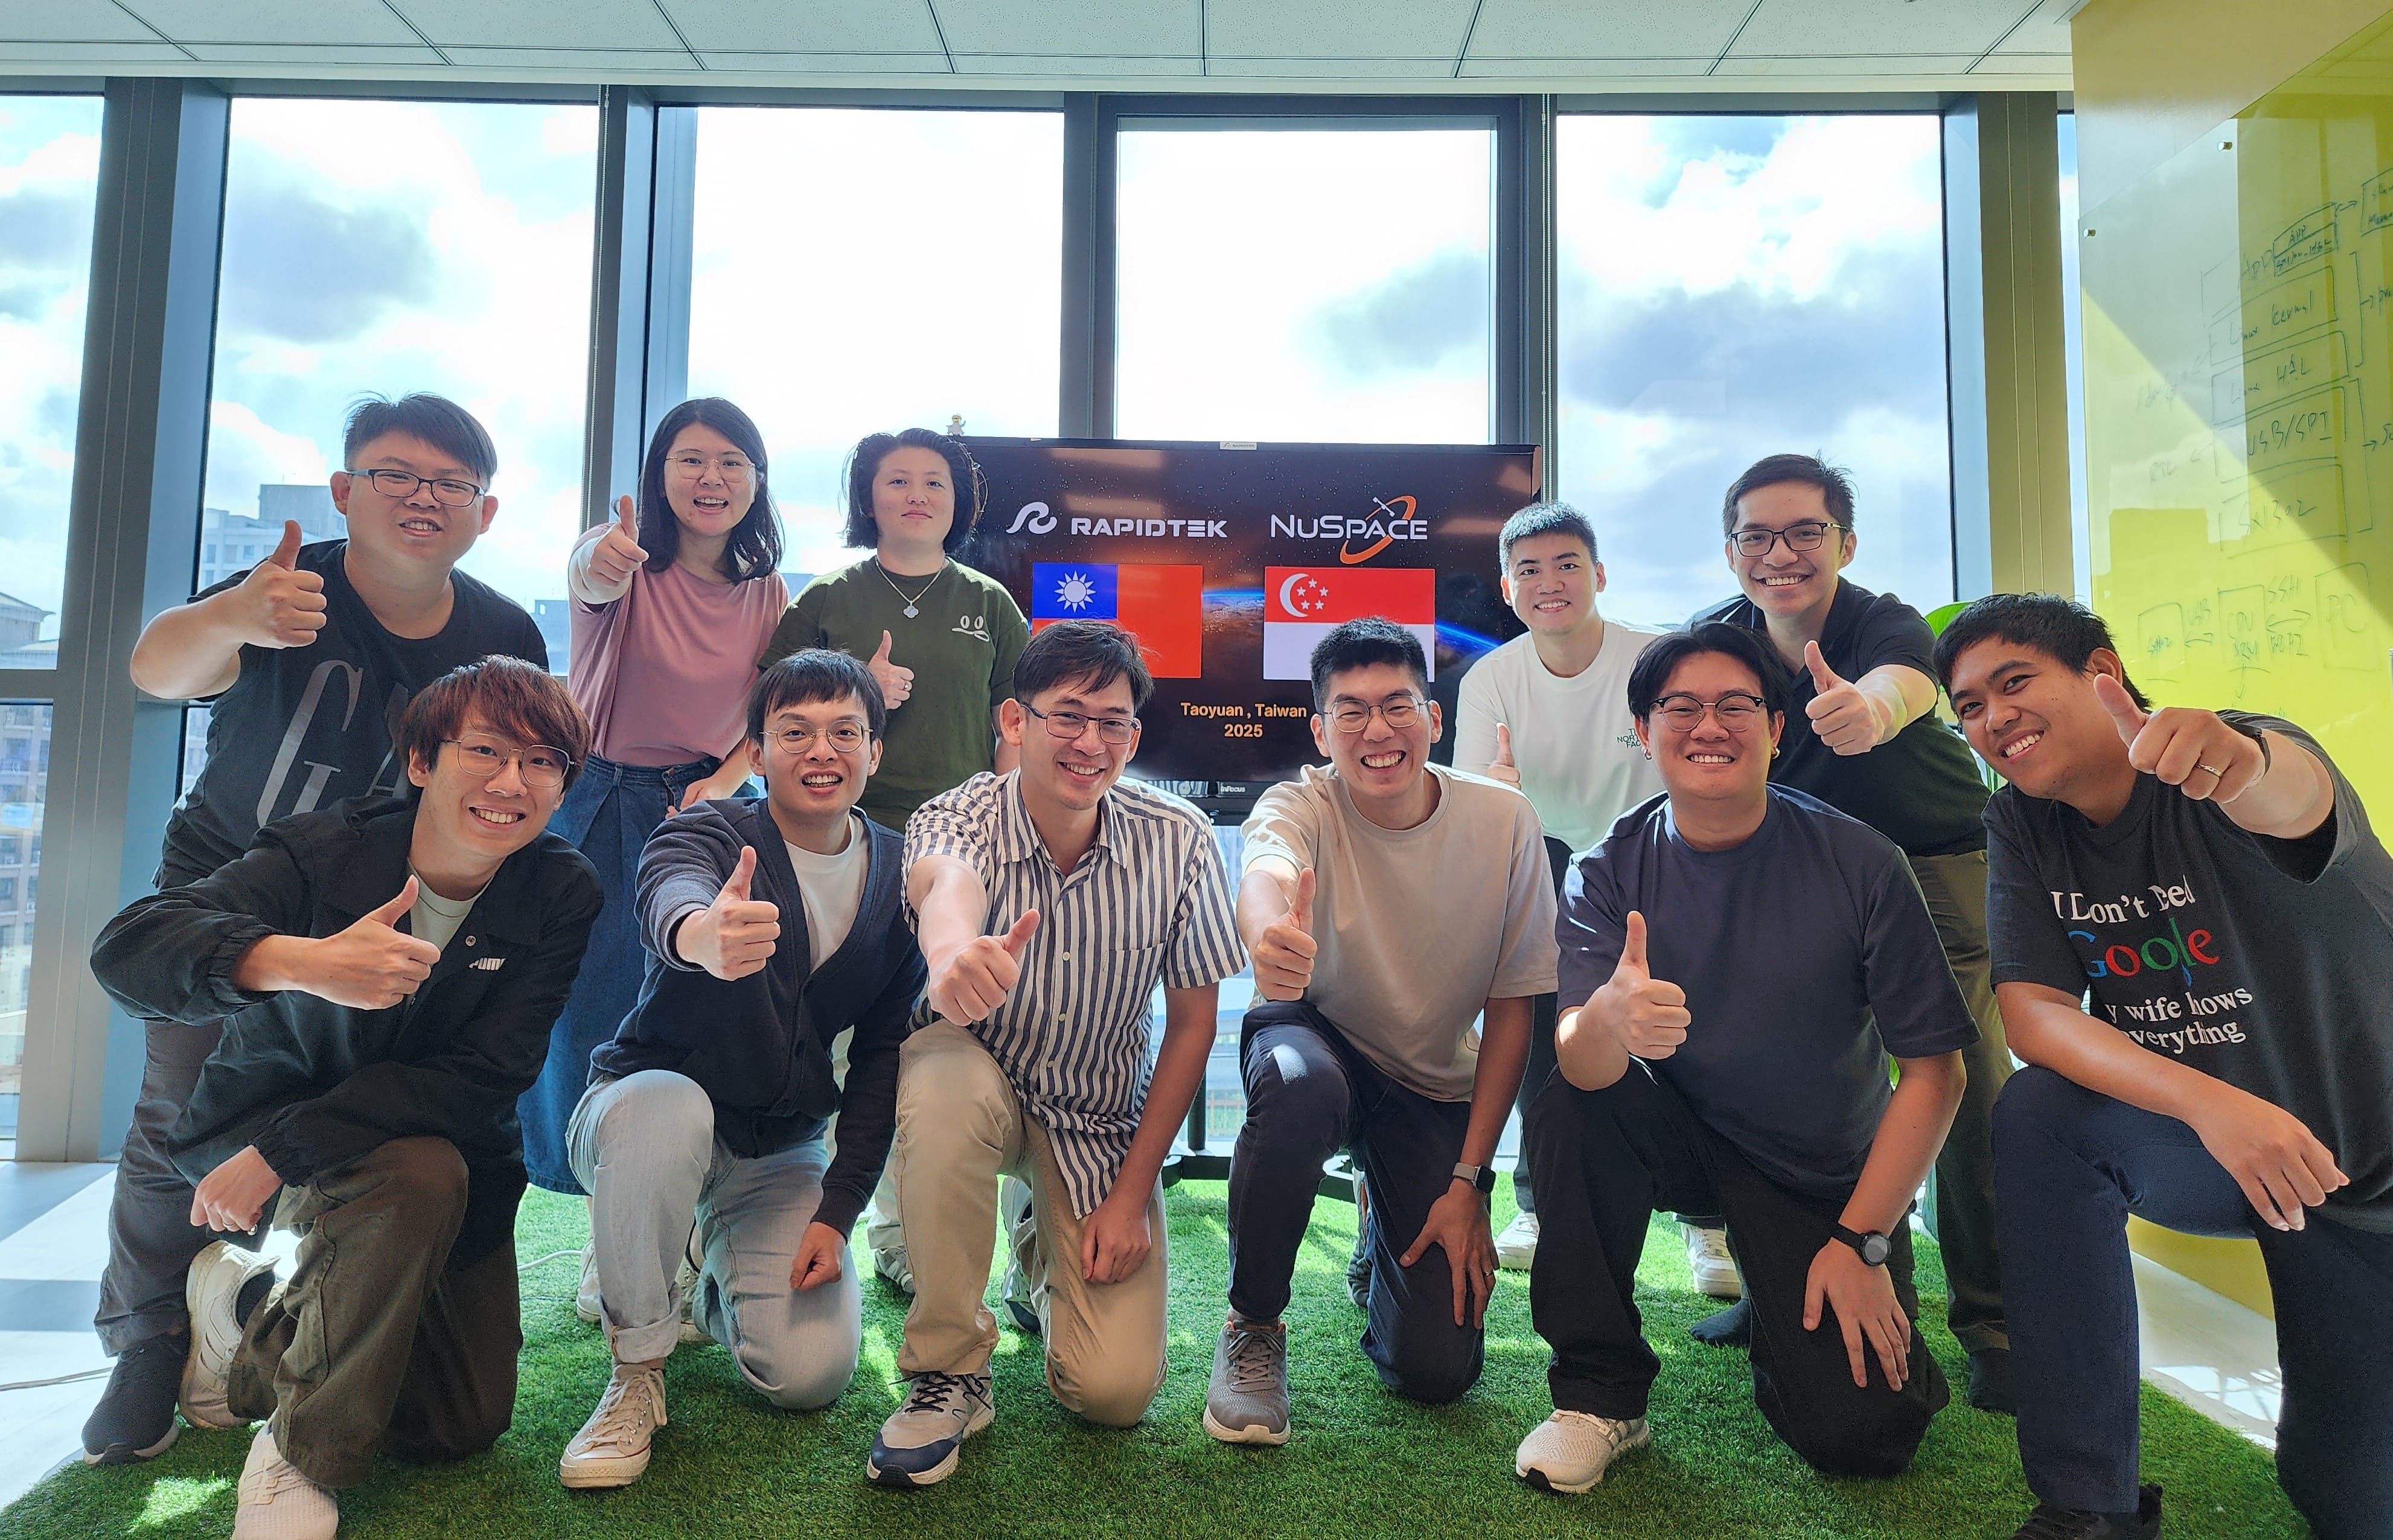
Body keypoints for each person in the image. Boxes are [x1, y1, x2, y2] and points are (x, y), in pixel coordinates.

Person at [82, 393, 549, 1468]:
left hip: (391, 911)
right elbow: (157, 669)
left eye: (451, 484)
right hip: (234, 892)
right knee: (177, 1110)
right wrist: (233, 619)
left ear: (484, 512)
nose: (423, 498)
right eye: (395, 475)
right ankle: (148, 1338)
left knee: (386, 1112)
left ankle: (287, 1297)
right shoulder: (284, 589)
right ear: (344, 491)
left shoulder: (502, 632)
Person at [88, 657, 601, 1540]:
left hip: (404, 1144)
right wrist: (299, 961)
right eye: (485, 749)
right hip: (296, 1124)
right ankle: (297, 1456)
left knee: (459, 1422)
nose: (512, 782)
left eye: (542, 761)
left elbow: (489, 1072)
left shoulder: (562, 888)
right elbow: (128, 951)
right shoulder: (325, 850)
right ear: (421, 762)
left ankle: (244, 1320)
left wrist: (284, 1149)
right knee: (418, 1173)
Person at [1935, 595, 2393, 1540]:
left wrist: (2241, 763)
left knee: (2353, 1501)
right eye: (1969, 706)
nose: (1993, 717)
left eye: (2014, 682)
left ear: (2102, 670)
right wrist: (2215, 1104)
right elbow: (2036, 1016)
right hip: (2231, 1151)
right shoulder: (2023, 821)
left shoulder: (2231, 755)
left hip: (2370, 1166)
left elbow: (2289, 792)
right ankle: (2088, 1504)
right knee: (2042, 1112)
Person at [1515, 622, 1973, 1494]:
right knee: (1570, 1107)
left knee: (1864, 1436)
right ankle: (1597, 1394)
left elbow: (1935, 1071)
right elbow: (1581, 1068)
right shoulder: (1608, 869)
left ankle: (1782, 1296)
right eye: (1680, 707)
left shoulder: (1861, 860)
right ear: (1643, 730)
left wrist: (1863, 1239)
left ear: (1777, 727)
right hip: (1682, 1141)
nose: (1708, 726)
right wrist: (1606, 1015)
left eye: (1736, 705)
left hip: (1818, 1175)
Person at [866, 621, 1242, 1488]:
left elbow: (1192, 1023)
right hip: (978, 1078)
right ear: (1015, 720)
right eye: (1067, 715)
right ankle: (949, 1368)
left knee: (1112, 1392)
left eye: (1113, 722)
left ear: (1134, 736)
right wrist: (953, 953)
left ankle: (1039, 1242)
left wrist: (1132, 1194)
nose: (1090, 742)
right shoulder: (958, 812)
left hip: (1095, 1113)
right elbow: (945, 883)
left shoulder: (1180, 837)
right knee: (942, 1082)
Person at [1691, 453, 2013, 1410]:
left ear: (1846, 543)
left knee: (1965, 1082)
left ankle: (1996, 1322)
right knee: (1790, 1082)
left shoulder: (1882, 619)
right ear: (1732, 551)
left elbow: (1905, 682)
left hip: (1930, 865)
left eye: (1805, 532)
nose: (1780, 552)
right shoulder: (1720, 638)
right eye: (1757, 534)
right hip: (1802, 874)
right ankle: (1781, 1280)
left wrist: (1867, 709)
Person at [557, 650, 924, 1489]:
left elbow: (880, 1059)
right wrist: (702, 934)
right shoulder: (712, 830)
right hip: (638, 1112)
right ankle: (636, 1371)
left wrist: (840, 1206)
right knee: (668, 1109)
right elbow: (668, 894)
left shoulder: (899, 876)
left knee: (810, 1373)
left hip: (775, 1149)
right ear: (756, 751)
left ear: (875, 752)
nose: (821, 749)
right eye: (794, 731)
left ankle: (704, 1261)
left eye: (844, 732)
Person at [1206, 618, 1557, 1448]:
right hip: (1316, 1035)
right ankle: (1253, 1323)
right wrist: (1267, 934)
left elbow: (1514, 1007)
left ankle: (1380, 1226)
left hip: (1429, 1078)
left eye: (1397, 705)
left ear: (1433, 718)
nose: (1377, 730)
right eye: (1351, 711)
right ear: (1320, 730)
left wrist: (1470, 1182)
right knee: (1299, 1087)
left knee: (1437, 1370)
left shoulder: (1505, 821)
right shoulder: (1300, 801)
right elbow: (1266, 868)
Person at [522, 398, 790, 1350]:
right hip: (603, 798)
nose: (712, 478)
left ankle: (683, 1224)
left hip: (709, 812)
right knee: (594, 1018)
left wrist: (725, 778)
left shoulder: (768, 592)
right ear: (658, 473)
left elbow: (770, 711)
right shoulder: (623, 563)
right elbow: (589, 573)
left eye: (732, 461)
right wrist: (601, 557)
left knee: (699, 1012)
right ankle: (613, 1234)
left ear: (757, 480)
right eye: (691, 459)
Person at [759, 427, 1029, 1297]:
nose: (916, 495)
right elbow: (770, 706)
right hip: (848, 847)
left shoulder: (989, 602)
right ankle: (816, 1209)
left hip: (962, 852)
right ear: (867, 497)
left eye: (934, 481)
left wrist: (1009, 825)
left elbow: (1014, 727)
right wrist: (860, 688)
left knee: (940, 1036)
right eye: (897, 480)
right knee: (850, 1038)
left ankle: (907, 1234)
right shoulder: (831, 595)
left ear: (959, 501)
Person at [1453, 502, 1665, 1278]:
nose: (1550, 583)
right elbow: (1477, 799)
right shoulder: (1491, 677)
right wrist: (1498, 789)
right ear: (1509, 590)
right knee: (1539, 1012)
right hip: (1542, 853)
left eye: (1568, 564)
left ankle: (1706, 1219)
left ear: (1599, 574)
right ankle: (1538, 1200)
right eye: (1529, 570)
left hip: (1649, 851)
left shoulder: (1654, 656)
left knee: (1677, 1020)